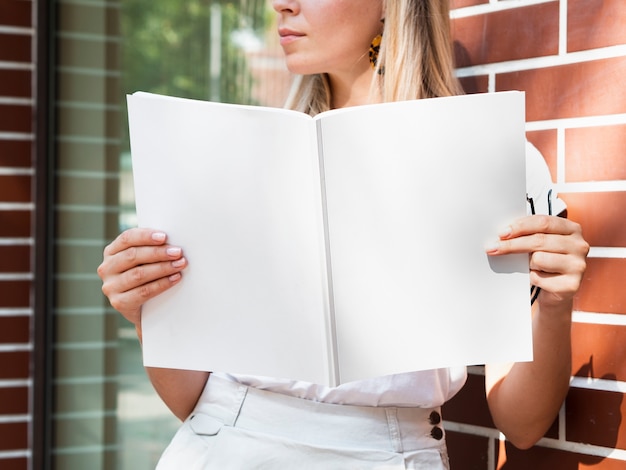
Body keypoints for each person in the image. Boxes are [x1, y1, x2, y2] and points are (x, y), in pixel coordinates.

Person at [97, 0, 590, 468]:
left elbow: (521, 424)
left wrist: (554, 304)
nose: (281, 5)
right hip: (218, 449)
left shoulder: (490, 161)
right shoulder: (241, 155)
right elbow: (192, 403)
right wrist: (147, 311)